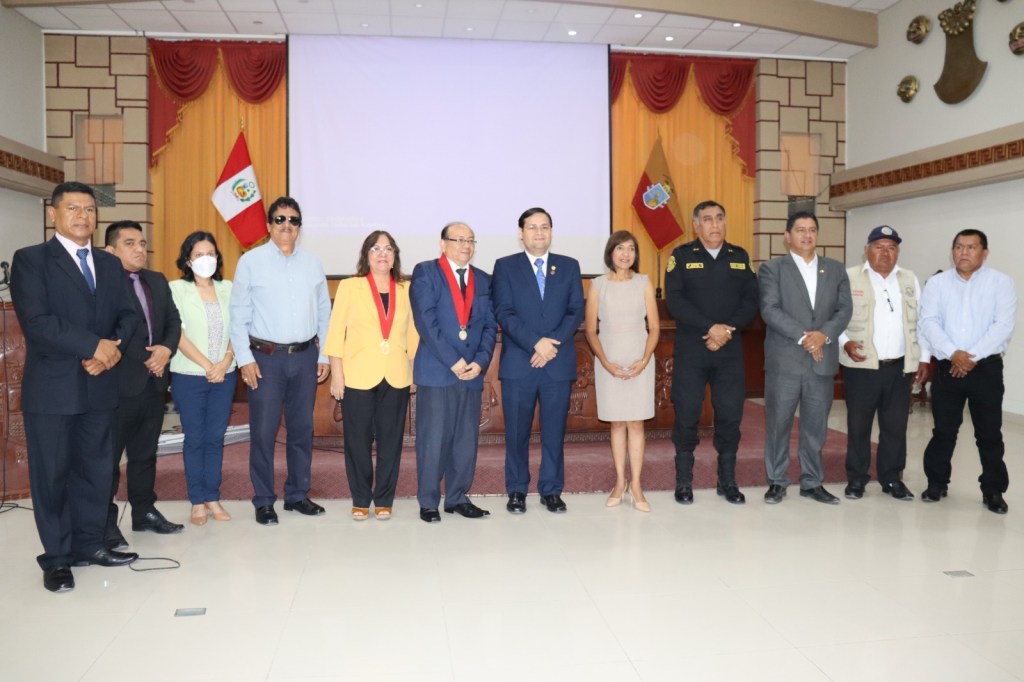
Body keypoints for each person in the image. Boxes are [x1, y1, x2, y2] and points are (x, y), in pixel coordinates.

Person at [10, 182, 140, 592]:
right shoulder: (31, 260)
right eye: (73, 208)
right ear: (53, 214)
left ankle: (90, 545)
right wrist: (92, 346)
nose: (83, 216)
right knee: (52, 476)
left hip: (100, 384)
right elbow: (38, 322)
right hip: (54, 389)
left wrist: (110, 351)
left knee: (96, 472)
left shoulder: (109, 264)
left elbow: (129, 316)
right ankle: (57, 559)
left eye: (89, 209)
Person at [229, 197, 332, 526]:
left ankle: (297, 495)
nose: (287, 225)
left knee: (302, 429)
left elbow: (324, 312)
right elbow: (238, 314)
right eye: (280, 219)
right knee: (263, 431)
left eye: (293, 220)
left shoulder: (312, 264)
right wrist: (244, 359)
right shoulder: (250, 262)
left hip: (305, 357)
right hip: (265, 359)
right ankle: (263, 500)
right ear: (269, 225)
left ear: (299, 227)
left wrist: (324, 354)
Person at [664, 201, 758, 506]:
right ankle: (684, 481)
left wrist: (726, 330)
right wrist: (710, 328)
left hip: (729, 350)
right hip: (693, 348)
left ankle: (727, 481)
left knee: (730, 414)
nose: (714, 224)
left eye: (719, 218)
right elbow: (675, 300)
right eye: (707, 219)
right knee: (687, 412)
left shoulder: (739, 257)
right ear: (696, 225)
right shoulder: (681, 256)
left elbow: (751, 300)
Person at [492, 207, 585, 513]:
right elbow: (504, 311)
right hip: (521, 363)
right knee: (516, 432)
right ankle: (517, 490)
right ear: (521, 233)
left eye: (544, 227)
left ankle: (551, 490)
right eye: (532, 227)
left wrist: (550, 344)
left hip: (557, 362)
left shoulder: (569, 266)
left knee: (554, 432)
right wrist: (535, 343)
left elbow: (575, 310)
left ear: (551, 232)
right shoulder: (505, 266)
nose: (539, 232)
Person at [918, 229, 1016, 514]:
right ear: (952, 252)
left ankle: (993, 490)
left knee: (989, 433)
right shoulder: (937, 284)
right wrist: (954, 354)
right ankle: (936, 483)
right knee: (943, 430)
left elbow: (1003, 326)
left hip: (986, 369)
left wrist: (970, 357)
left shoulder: (1001, 283)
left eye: (971, 247)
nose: (964, 252)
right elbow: (929, 322)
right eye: (959, 247)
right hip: (948, 368)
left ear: (985, 252)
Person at [759, 212, 852, 505]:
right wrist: (805, 338)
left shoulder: (835, 269)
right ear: (787, 236)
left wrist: (823, 335)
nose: (807, 235)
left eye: (812, 230)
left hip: (821, 362)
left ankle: (812, 482)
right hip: (785, 362)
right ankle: (777, 481)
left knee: (815, 427)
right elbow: (770, 309)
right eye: (800, 230)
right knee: (778, 425)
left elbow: (844, 309)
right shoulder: (772, 269)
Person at [325, 231, 419, 521]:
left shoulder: (406, 288)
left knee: (391, 441)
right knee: (357, 441)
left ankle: (384, 499)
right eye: (376, 249)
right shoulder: (350, 287)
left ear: (395, 256)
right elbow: (335, 332)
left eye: (388, 249)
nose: (382, 254)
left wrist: (413, 371)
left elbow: (413, 333)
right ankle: (361, 498)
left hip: (396, 375)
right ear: (366, 255)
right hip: (357, 375)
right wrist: (337, 374)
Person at [102, 220, 184, 547]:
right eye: (130, 243)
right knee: (108, 460)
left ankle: (144, 512)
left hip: (154, 383)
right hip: (117, 385)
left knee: (145, 454)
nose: (139, 249)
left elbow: (173, 321)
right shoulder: (101, 285)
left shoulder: (157, 280)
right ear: (110, 251)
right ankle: (104, 524)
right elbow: (103, 332)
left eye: (142, 243)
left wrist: (166, 349)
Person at [410, 222, 497, 523]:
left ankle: (457, 497)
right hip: (438, 371)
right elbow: (426, 322)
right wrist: (453, 361)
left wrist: (480, 361)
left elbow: (490, 326)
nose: (465, 246)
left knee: (465, 440)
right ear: (442, 243)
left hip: (471, 373)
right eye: (458, 240)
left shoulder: (483, 279)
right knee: (433, 440)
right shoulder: (426, 273)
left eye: (470, 240)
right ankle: (429, 502)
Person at [839, 226, 931, 501]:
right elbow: (835, 316)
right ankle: (857, 479)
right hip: (861, 367)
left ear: (897, 252)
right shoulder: (850, 277)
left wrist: (924, 358)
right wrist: (844, 342)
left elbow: (922, 322)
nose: (885, 253)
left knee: (895, 428)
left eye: (891, 247)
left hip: (898, 368)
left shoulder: (909, 279)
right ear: (866, 250)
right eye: (879, 246)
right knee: (858, 426)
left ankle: (892, 479)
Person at [584, 231, 659, 512]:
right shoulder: (598, 285)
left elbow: (655, 327)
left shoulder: (643, 282)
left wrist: (644, 359)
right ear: (610, 253)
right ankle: (619, 481)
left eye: (631, 249)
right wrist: (605, 362)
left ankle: (636, 485)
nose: (626, 254)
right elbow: (591, 330)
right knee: (617, 423)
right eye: (620, 248)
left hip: (640, 357)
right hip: (609, 359)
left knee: (636, 423)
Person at [169, 231, 237, 525]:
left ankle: (213, 497)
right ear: (188, 260)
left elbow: (239, 329)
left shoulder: (228, 288)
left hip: (225, 374)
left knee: (215, 437)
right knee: (195, 438)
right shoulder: (176, 289)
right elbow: (177, 334)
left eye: (210, 254)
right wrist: (209, 365)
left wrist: (225, 361)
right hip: (189, 375)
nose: (205, 259)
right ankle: (197, 501)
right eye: (199, 255)